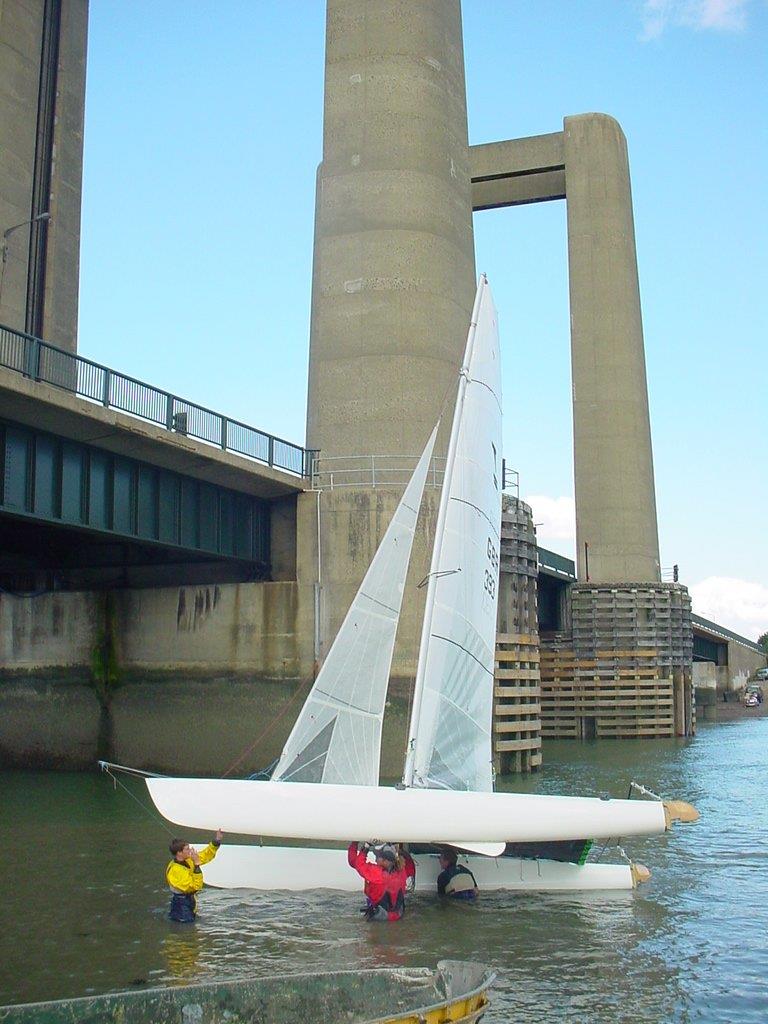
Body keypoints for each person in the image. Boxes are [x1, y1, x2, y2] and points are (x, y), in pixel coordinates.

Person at [166, 829, 223, 923]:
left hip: (190, 900)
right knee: (185, 928)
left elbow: (205, 855)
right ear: (179, 853)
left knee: (191, 924)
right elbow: (195, 886)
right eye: (187, 849)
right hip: (181, 904)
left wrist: (217, 841)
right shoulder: (175, 870)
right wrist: (197, 864)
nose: (190, 850)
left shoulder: (188, 859)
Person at [347, 841, 409, 921]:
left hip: (380, 917)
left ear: (386, 861)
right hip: (398, 915)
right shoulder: (401, 871)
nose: (376, 860)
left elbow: (358, 864)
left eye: (377, 857)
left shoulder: (378, 874)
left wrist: (364, 847)